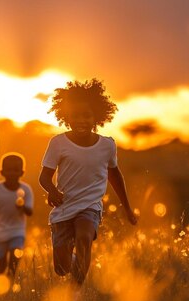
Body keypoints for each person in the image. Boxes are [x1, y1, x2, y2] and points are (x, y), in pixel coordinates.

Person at [39, 79, 137, 286]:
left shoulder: (107, 145)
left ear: (97, 118)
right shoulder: (58, 143)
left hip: (90, 206)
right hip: (64, 207)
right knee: (61, 268)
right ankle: (74, 264)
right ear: (67, 117)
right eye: (75, 115)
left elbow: (115, 175)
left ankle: (76, 292)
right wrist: (53, 191)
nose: (81, 120)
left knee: (84, 236)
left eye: (87, 115)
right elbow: (44, 177)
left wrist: (127, 207)